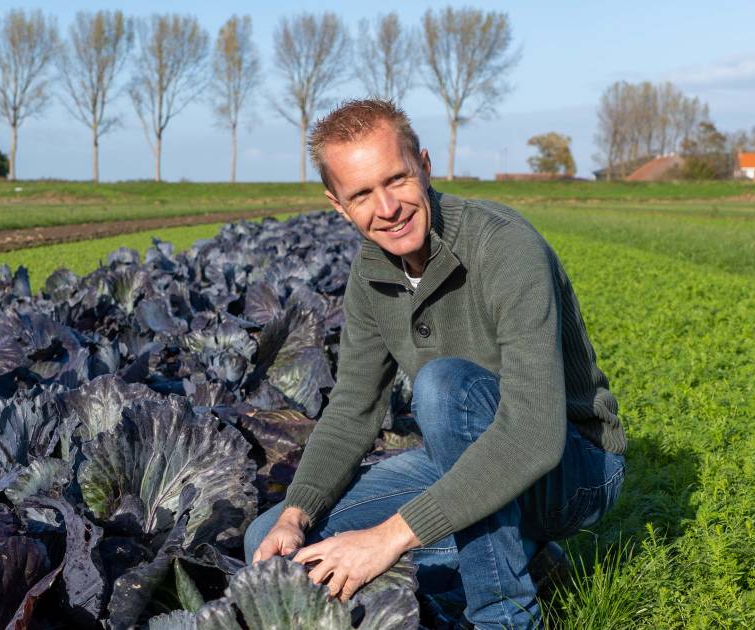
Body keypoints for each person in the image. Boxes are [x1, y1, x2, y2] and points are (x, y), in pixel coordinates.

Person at [243, 98, 626, 629]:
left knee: (445, 387)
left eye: (396, 179)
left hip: (574, 466)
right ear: (337, 204)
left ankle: (506, 616)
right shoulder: (370, 275)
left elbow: (534, 433)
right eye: (361, 195)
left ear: (423, 165)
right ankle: (531, 562)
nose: (387, 207)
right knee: (268, 544)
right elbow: (354, 408)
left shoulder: (503, 246)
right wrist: (295, 512)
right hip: (466, 455)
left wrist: (388, 538)